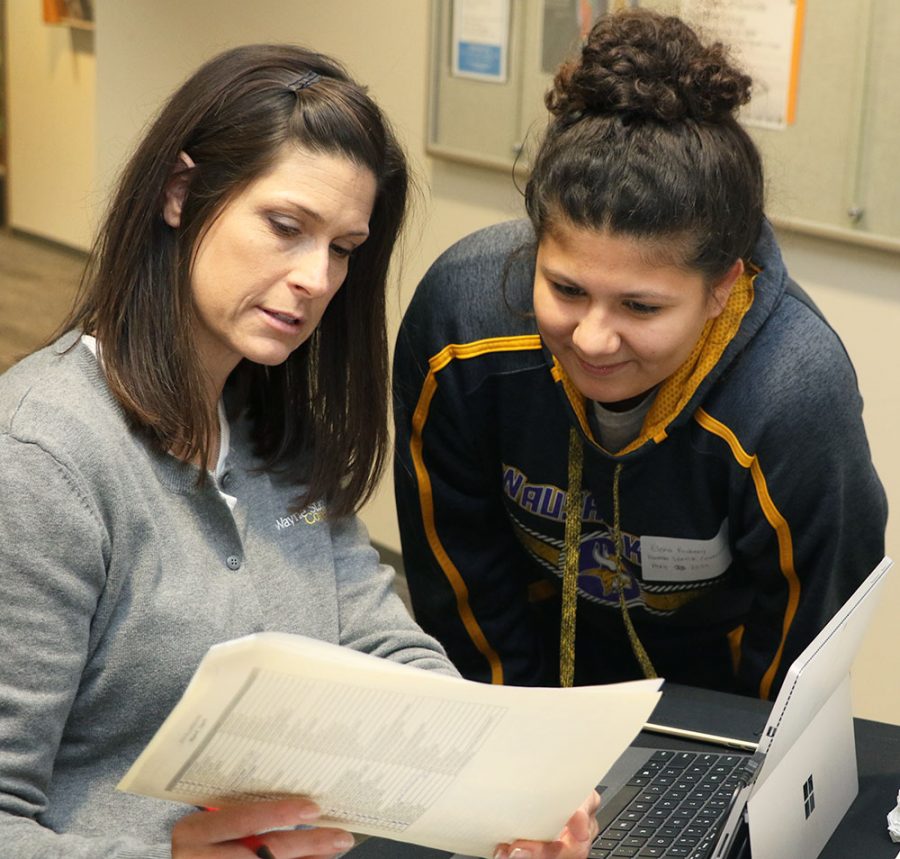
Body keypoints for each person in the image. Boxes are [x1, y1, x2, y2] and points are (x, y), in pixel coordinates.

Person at [0, 45, 598, 859]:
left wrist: (506, 783)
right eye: (286, 228)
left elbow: (379, 640)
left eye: (343, 248)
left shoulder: (268, 426)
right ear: (180, 193)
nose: (316, 277)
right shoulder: (42, 460)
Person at [393, 10, 887, 699]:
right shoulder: (460, 330)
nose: (592, 338)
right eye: (565, 288)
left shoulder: (793, 395)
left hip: (715, 708)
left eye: (641, 306)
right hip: (531, 692)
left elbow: (802, 658)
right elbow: (463, 589)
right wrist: (516, 759)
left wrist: (726, 785)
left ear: (722, 288)